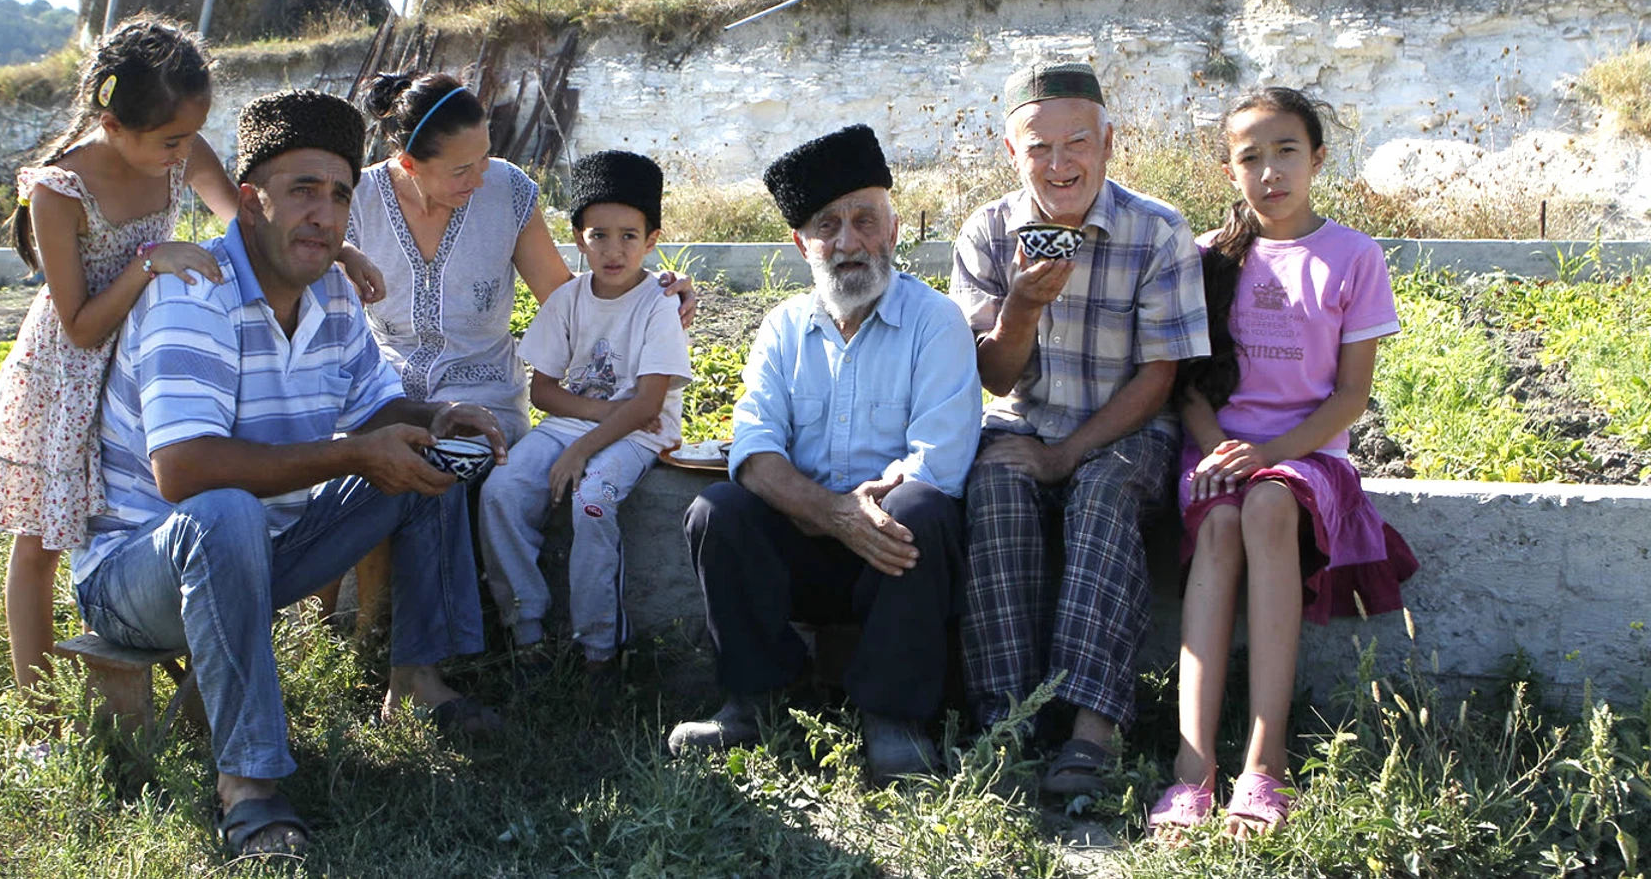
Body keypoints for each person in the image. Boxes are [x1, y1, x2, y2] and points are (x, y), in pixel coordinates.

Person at [71, 89, 506, 856]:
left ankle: (417, 683)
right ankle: (249, 786)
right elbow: (185, 473)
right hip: (138, 576)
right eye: (303, 190)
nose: (325, 213)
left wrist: (434, 419)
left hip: (263, 551)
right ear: (251, 200)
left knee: (426, 460)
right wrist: (349, 453)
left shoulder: (332, 291)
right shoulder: (192, 291)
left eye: (340, 194)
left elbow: (375, 407)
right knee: (227, 508)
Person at [0, 16, 381, 719]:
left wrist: (328, 249)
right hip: (68, 376)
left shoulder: (174, 143)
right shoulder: (59, 189)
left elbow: (253, 224)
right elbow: (80, 323)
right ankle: (35, 721)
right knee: (41, 545)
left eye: (192, 137)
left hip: (144, 358)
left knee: (152, 506)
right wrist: (148, 264)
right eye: (170, 143)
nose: (185, 156)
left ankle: (192, 673)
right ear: (111, 120)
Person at [668, 125, 982, 784]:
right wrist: (830, 511)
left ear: (893, 231)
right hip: (807, 539)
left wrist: (861, 513)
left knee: (924, 508)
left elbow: (940, 460)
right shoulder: (783, 327)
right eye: (826, 225)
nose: (847, 242)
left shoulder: (937, 322)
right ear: (800, 244)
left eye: (864, 220)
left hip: (895, 551)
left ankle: (893, 718)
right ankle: (757, 703)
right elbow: (753, 451)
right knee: (717, 512)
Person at [1148, 87, 1418, 839]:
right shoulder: (1207, 258)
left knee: (1266, 505)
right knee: (1222, 522)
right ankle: (1191, 768)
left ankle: (1265, 764)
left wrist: (1266, 454)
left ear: (1318, 158)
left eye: (1286, 151)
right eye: (1251, 157)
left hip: (1307, 459)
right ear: (1231, 170)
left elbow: (1350, 398)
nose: (1270, 171)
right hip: (1218, 454)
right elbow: (1188, 387)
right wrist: (1218, 451)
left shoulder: (1354, 256)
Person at [950, 62, 1210, 799]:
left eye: (1077, 144)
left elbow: (1158, 379)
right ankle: (1006, 717)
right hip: (1024, 418)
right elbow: (994, 379)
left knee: (1101, 492)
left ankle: (1092, 730)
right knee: (995, 485)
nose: (1059, 165)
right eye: (1039, 148)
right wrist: (1022, 309)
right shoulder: (989, 232)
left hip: (1126, 426)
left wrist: (1065, 454)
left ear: (1108, 142)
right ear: (1011, 153)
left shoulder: (1156, 230)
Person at [351, 71, 695, 449]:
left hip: (483, 401)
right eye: (461, 169)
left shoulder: (507, 189)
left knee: (447, 465)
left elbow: (567, 299)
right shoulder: (357, 201)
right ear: (410, 164)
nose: (480, 177)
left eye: (484, 156)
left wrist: (648, 291)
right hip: (386, 398)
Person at [477, 150, 692, 682]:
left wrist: (582, 448)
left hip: (641, 433)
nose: (613, 250)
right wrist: (591, 419)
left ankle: (600, 648)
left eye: (628, 236)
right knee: (500, 491)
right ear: (577, 237)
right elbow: (545, 391)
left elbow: (646, 405)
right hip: (577, 421)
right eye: (599, 235)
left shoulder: (658, 304)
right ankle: (526, 629)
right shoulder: (568, 299)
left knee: (592, 499)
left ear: (652, 239)